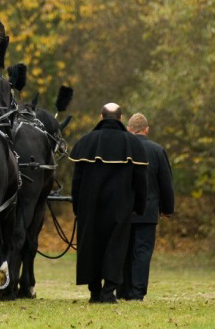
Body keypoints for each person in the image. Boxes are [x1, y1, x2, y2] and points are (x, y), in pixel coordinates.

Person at [68, 103, 148, 303]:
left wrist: (77, 207)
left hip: (89, 206)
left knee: (91, 246)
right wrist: (139, 207)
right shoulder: (133, 144)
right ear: (121, 119)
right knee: (116, 246)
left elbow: (76, 181)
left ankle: (94, 292)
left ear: (101, 117)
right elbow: (141, 181)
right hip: (120, 207)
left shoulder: (85, 142)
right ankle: (108, 292)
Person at [118, 113, 175, 301]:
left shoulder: (121, 149)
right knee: (142, 252)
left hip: (123, 211)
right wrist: (167, 208)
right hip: (148, 211)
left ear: (128, 129)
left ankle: (122, 289)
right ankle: (137, 292)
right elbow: (166, 183)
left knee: (123, 251)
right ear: (146, 130)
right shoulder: (157, 151)